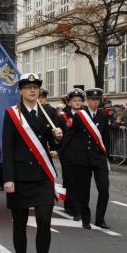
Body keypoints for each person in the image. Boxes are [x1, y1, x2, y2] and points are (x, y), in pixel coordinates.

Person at [2, 73, 63, 253]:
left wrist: (57, 138)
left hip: (42, 176)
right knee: (19, 224)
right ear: (20, 91)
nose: (32, 90)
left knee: (44, 221)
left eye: (35, 87)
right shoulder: (12, 114)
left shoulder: (48, 113)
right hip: (19, 177)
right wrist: (8, 178)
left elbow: (53, 146)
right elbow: (7, 149)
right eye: (27, 87)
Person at [61, 88, 111, 229]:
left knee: (104, 188)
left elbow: (106, 139)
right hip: (83, 159)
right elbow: (71, 135)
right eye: (92, 99)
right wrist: (61, 150)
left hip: (99, 158)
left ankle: (100, 219)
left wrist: (108, 157)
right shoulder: (80, 116)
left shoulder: (103, 116)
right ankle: (86, 218)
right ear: (87, 101)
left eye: (97, 100)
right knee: (84, 190)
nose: (95, 102)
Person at [58, 88, 84, 219]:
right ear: (69, 102)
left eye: (79, 100)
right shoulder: (63, 117)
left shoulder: (85, 115)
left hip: (82, 154)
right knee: (70, 180)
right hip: (67, 153)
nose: (77, 102)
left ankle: (77, 206)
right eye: (75, 100)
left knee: (80, 181)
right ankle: (73, 207)